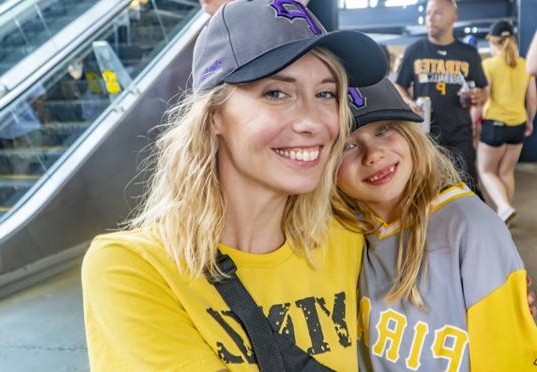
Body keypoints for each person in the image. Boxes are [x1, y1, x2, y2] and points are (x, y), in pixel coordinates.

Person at [82, 0, 387, 370]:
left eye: (326, 93)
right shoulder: (133, 268)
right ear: (214, 116)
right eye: (276, 92)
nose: (313, 121)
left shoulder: (350, 236)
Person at [335, 77, 537, 371]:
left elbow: (508, 358)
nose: (373, 154)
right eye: (346, 145)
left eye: (384, 129)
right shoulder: (340, 229)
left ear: (410, 134)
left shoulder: (470, 227)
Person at [395, 0, 488, 196]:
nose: (430, 18)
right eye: (428, 13)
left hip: (459, 134)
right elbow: (400, 85)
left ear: (453, 18)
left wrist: (479, 96)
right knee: (426, 191)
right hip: (426, 135)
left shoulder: (468, 53)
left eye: (437, 13)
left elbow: (483, 89)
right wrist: (408, 101)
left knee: (468, 189)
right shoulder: (414, 50)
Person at [476, 20, 536, 224]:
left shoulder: (488, 65)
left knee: (486, 171)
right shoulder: (524, 65)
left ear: (493, 41)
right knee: (506, 172)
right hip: (517, 126)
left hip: (495, 125)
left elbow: (483, 97)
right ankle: (505, 217)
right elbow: (533, 98)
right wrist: (529, 121)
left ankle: (503, 207)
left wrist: (474, 122)